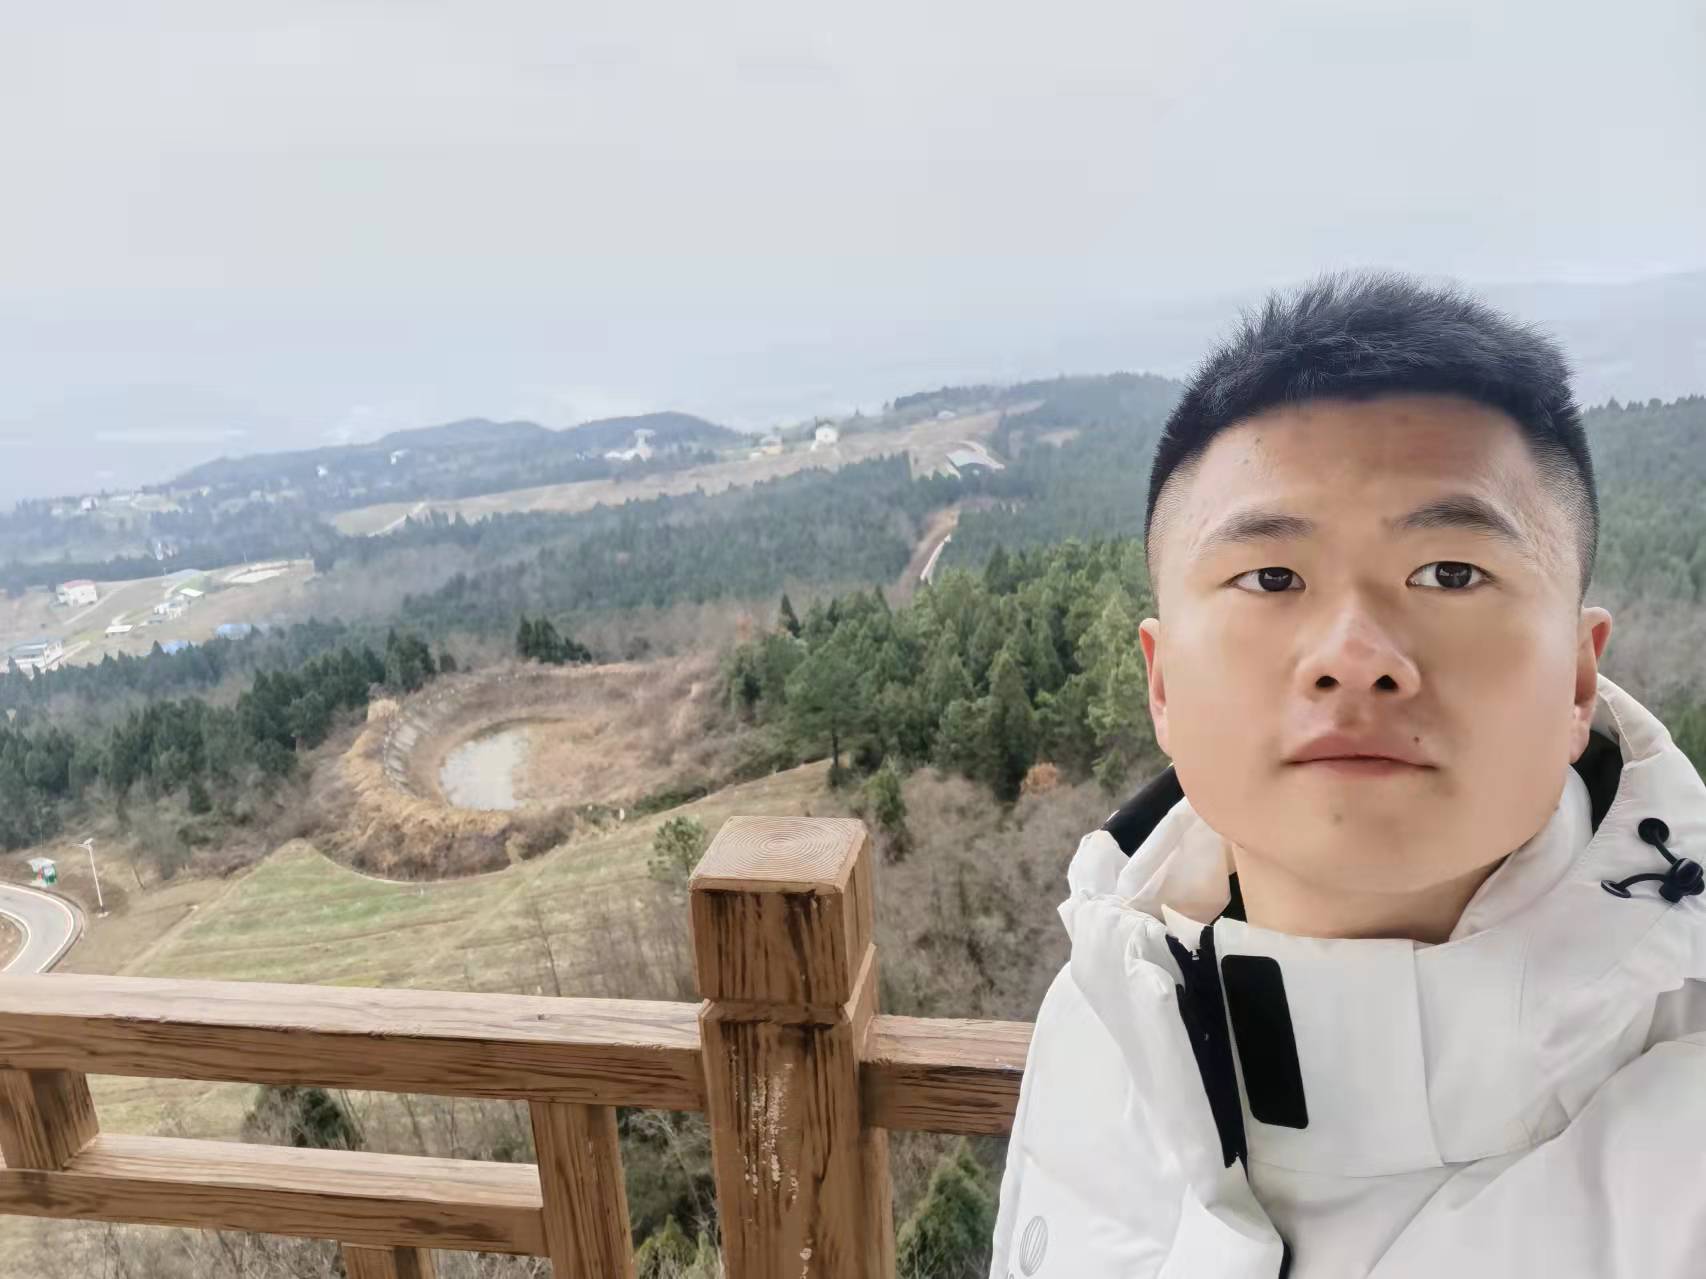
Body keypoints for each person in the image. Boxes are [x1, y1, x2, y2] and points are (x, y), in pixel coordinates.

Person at [987, 272, 1706, 1278]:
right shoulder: (1100, 1015)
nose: (1355, 655)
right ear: (1162, 683)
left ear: (1578, 678)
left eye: (1449, 573)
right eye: (1271, 578)